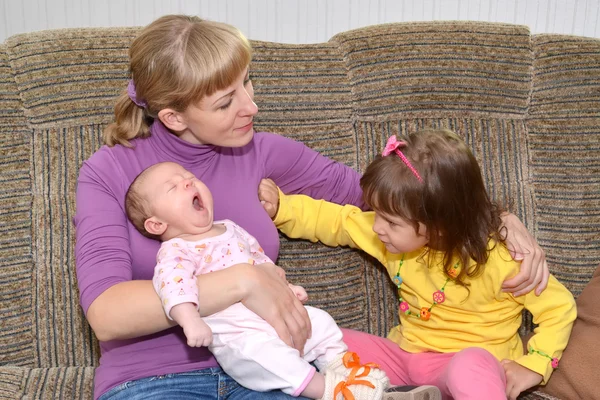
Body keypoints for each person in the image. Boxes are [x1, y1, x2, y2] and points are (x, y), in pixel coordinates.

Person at [73, 14, 550, 400]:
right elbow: (108, 313)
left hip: (277, 374)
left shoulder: (262, 151)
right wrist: (245, 281)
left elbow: (401, 190)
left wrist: (494, 218)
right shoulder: (108, 173)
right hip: (153, 381)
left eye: (248, 84)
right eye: (225, 102)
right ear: (174, 117)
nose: (251, 107)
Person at [258, 129, 577, 400]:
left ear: (439, 225)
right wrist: (282, 208)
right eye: (377, 214)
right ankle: (391, 392)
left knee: (472, 364)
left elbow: (559, 308)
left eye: (391, 222)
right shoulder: (388, 239)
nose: (378, 227)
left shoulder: (503, 259)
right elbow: (338, 221)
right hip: (402, 359)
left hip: (464, 364)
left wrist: (534, 365)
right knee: (313, 331)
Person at [124, 161, 389, 399]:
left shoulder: (230, 228)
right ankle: (330, 391)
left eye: (189, 176)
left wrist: (284, 287)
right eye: (173, 187)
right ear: (156, 225)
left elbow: (260, 262)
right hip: (238, 336)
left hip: (274, 318)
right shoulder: (176, 250)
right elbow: (173, 286)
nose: (188, 181)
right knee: (267, 359)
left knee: (319, 322)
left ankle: (347, 369)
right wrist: (189, 320)